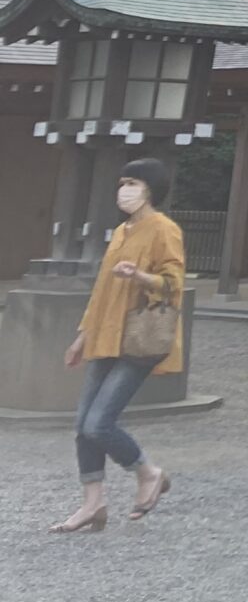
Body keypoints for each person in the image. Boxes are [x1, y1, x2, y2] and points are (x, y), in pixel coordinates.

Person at [52, 158, 184, 532]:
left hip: (140, 337)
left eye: (133, 183)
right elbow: (102, 291)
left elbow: (174, 281)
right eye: (122, 182)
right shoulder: (121, 231)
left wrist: (139, 275)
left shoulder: (164, 229)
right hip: (104, 335)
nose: (124, 189)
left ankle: (148, 471)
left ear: (150, 190)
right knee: (82, 425)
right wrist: (82, 335)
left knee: (99, 423)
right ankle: (93, 503)